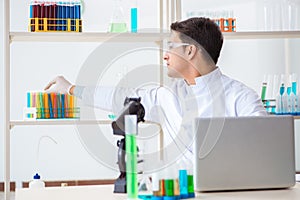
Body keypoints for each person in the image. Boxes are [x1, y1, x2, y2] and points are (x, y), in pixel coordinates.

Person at [45, 17, 267, 163]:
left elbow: (266, 147)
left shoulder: (242, 97)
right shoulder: (168, 96)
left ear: (190, 51)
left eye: (171, 46)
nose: (165, 55)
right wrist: (72, 89)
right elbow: (120, 97)